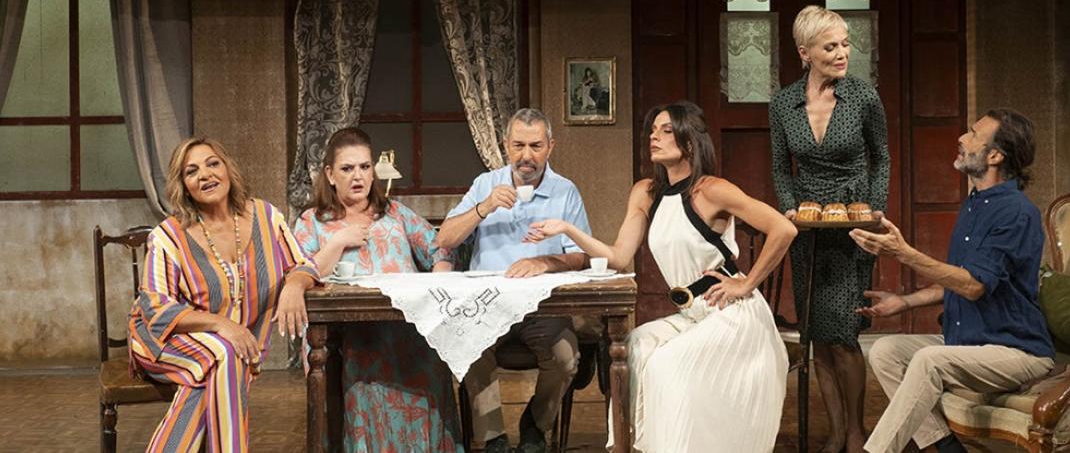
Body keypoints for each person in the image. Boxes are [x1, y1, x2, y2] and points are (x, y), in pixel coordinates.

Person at [527, 101, 795, 453]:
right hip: (692, 315)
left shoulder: (711, 190)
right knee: (634, 348)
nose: (654, 136)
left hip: (732, 316)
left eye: (666, 130)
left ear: (689, 141)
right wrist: (567, 229)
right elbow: (618, 257)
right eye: (653, 130)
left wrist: (745, 283)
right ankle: (632, 446)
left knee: (666, 366)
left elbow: (783, 229)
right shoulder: (646, 192)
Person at [849, 109, 1054, 453]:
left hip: (1016, 350)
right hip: (970, 341)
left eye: (973, 133)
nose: (961, 138)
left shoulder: (1016, 212)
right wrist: (905, 302)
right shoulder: (974, 204)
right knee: (886, 352)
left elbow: (973, 286)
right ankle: (947, 447)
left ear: (994, 156)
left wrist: (904, 253)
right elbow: (959, 279)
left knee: (929, 360)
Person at [127, 137, 320, 452]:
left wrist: (295, 285)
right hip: (163, 340)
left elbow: (302, 264)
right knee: (225, 354)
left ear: (228, 169)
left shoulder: (266, 217)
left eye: (213, 163)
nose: (205, 175)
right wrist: (222, 325)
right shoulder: (169, 236)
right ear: (183, 185)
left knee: (219, 367)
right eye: (192, 171)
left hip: (234, 348)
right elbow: (156, 309)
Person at [294, 128, 461, 452]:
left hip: (407, 325)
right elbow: (301, 272)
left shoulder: (395, 213)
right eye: (347, 168)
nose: (358, 176)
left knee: (429, 356)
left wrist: (439, 275)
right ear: (330, 174)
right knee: (362, 361)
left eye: (364, 167)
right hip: (353, 332)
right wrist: (338, 242)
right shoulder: (313, 221)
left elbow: (439, 245)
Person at [769, 5, 890, 453]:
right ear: (805, 53)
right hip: (807, 227)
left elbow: (881, 156)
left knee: (843, 333)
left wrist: (874, 210)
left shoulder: (863, 96)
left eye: (845, 44)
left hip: (853, 225)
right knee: (816, 335)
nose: (842, 53)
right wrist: (789, 208)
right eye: (830, 47)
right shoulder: (783, 103)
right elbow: (780, 166)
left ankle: (856, 432)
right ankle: (836, 432)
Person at [434, 108, 591, 453]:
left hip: (543, 306)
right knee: (469, 347)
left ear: (550, 146)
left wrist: (543, 262)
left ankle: (535, 424)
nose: (526, 156)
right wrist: (484, 207)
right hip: (487, 305)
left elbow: (581, 257)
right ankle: (494, 437)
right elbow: (445, 238)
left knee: (566, 358)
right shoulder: (485, 184)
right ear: (506, 145)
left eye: (536, 146)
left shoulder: (565, 191)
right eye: (518, 145)